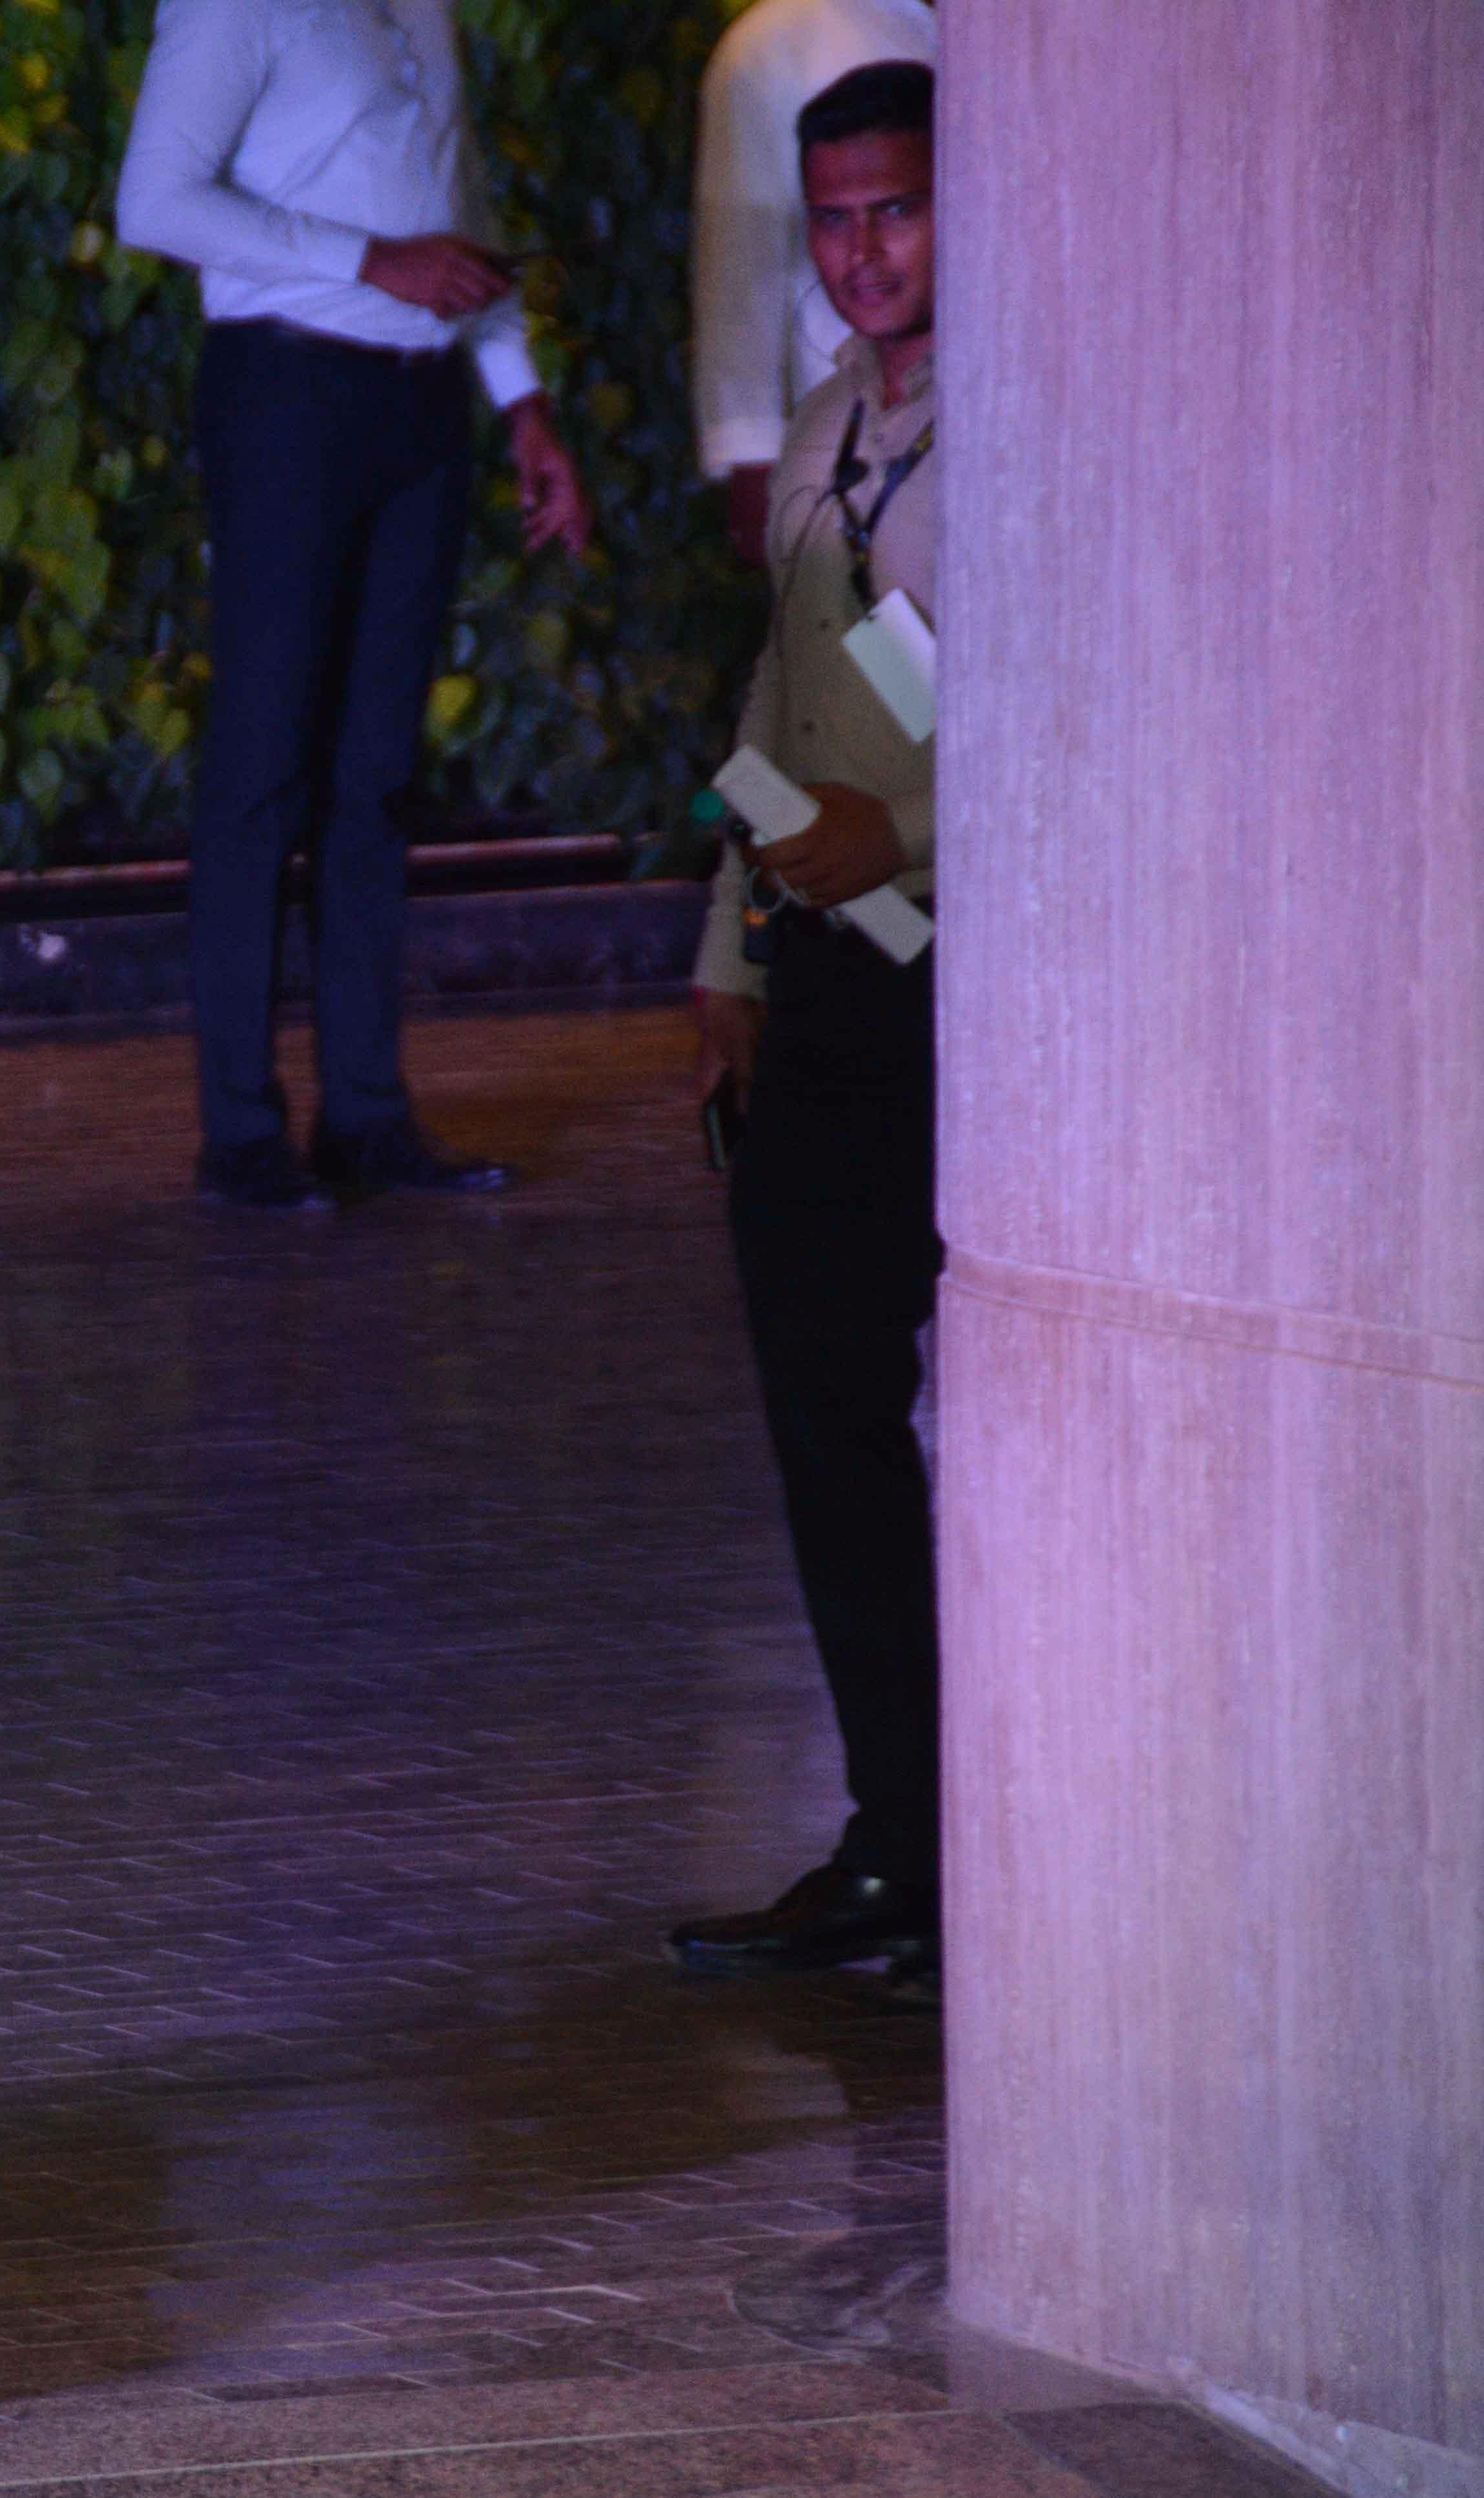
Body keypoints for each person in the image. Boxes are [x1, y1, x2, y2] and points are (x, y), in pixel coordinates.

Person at [115, 0, 597, 1210]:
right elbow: (156, 202)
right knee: (262, 764)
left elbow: (456, 199)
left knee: (376, 774)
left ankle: (368, 1117)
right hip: (290, 388)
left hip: (422, 401)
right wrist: (367, 261)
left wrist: (521, 398)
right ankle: (240, 1135)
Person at [669, 62, 945, 1984]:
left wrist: (898, 832)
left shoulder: (1015, 416)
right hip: (826, 962)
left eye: (895, 212)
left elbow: (1084, 683)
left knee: (954, 1412)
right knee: (821, 1408)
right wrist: (725, 954)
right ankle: (895, 1836)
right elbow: (778, 706)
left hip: (988, 970)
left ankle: (971, 1839)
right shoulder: (824, 430)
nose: (859, 254)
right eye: (831, 219)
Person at [691, 0, 935, 564]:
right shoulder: (775, 45)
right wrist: (754, 466)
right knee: (868, 638)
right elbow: (740, 275)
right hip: (852, 449)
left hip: (994, 420)